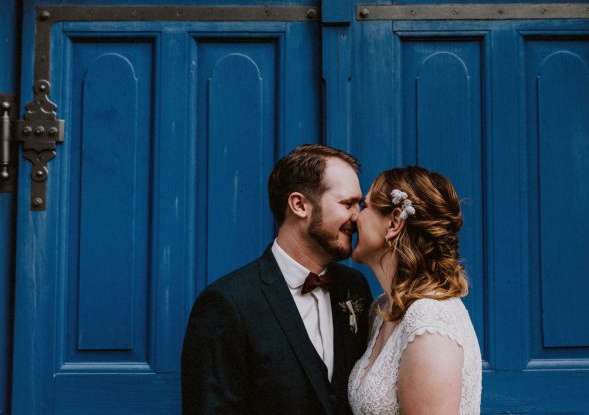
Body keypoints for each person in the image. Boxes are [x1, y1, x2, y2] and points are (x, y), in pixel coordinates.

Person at [182, 143, 374, 415]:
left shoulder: (354, 287)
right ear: (299, 205)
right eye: (347, 204)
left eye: (360, 204)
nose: (358, 218)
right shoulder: (228, 304)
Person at [348, 166, 482, 415]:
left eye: (364, 207)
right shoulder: (381, 310)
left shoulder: (430, 320)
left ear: (395, 222)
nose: (355, 217)